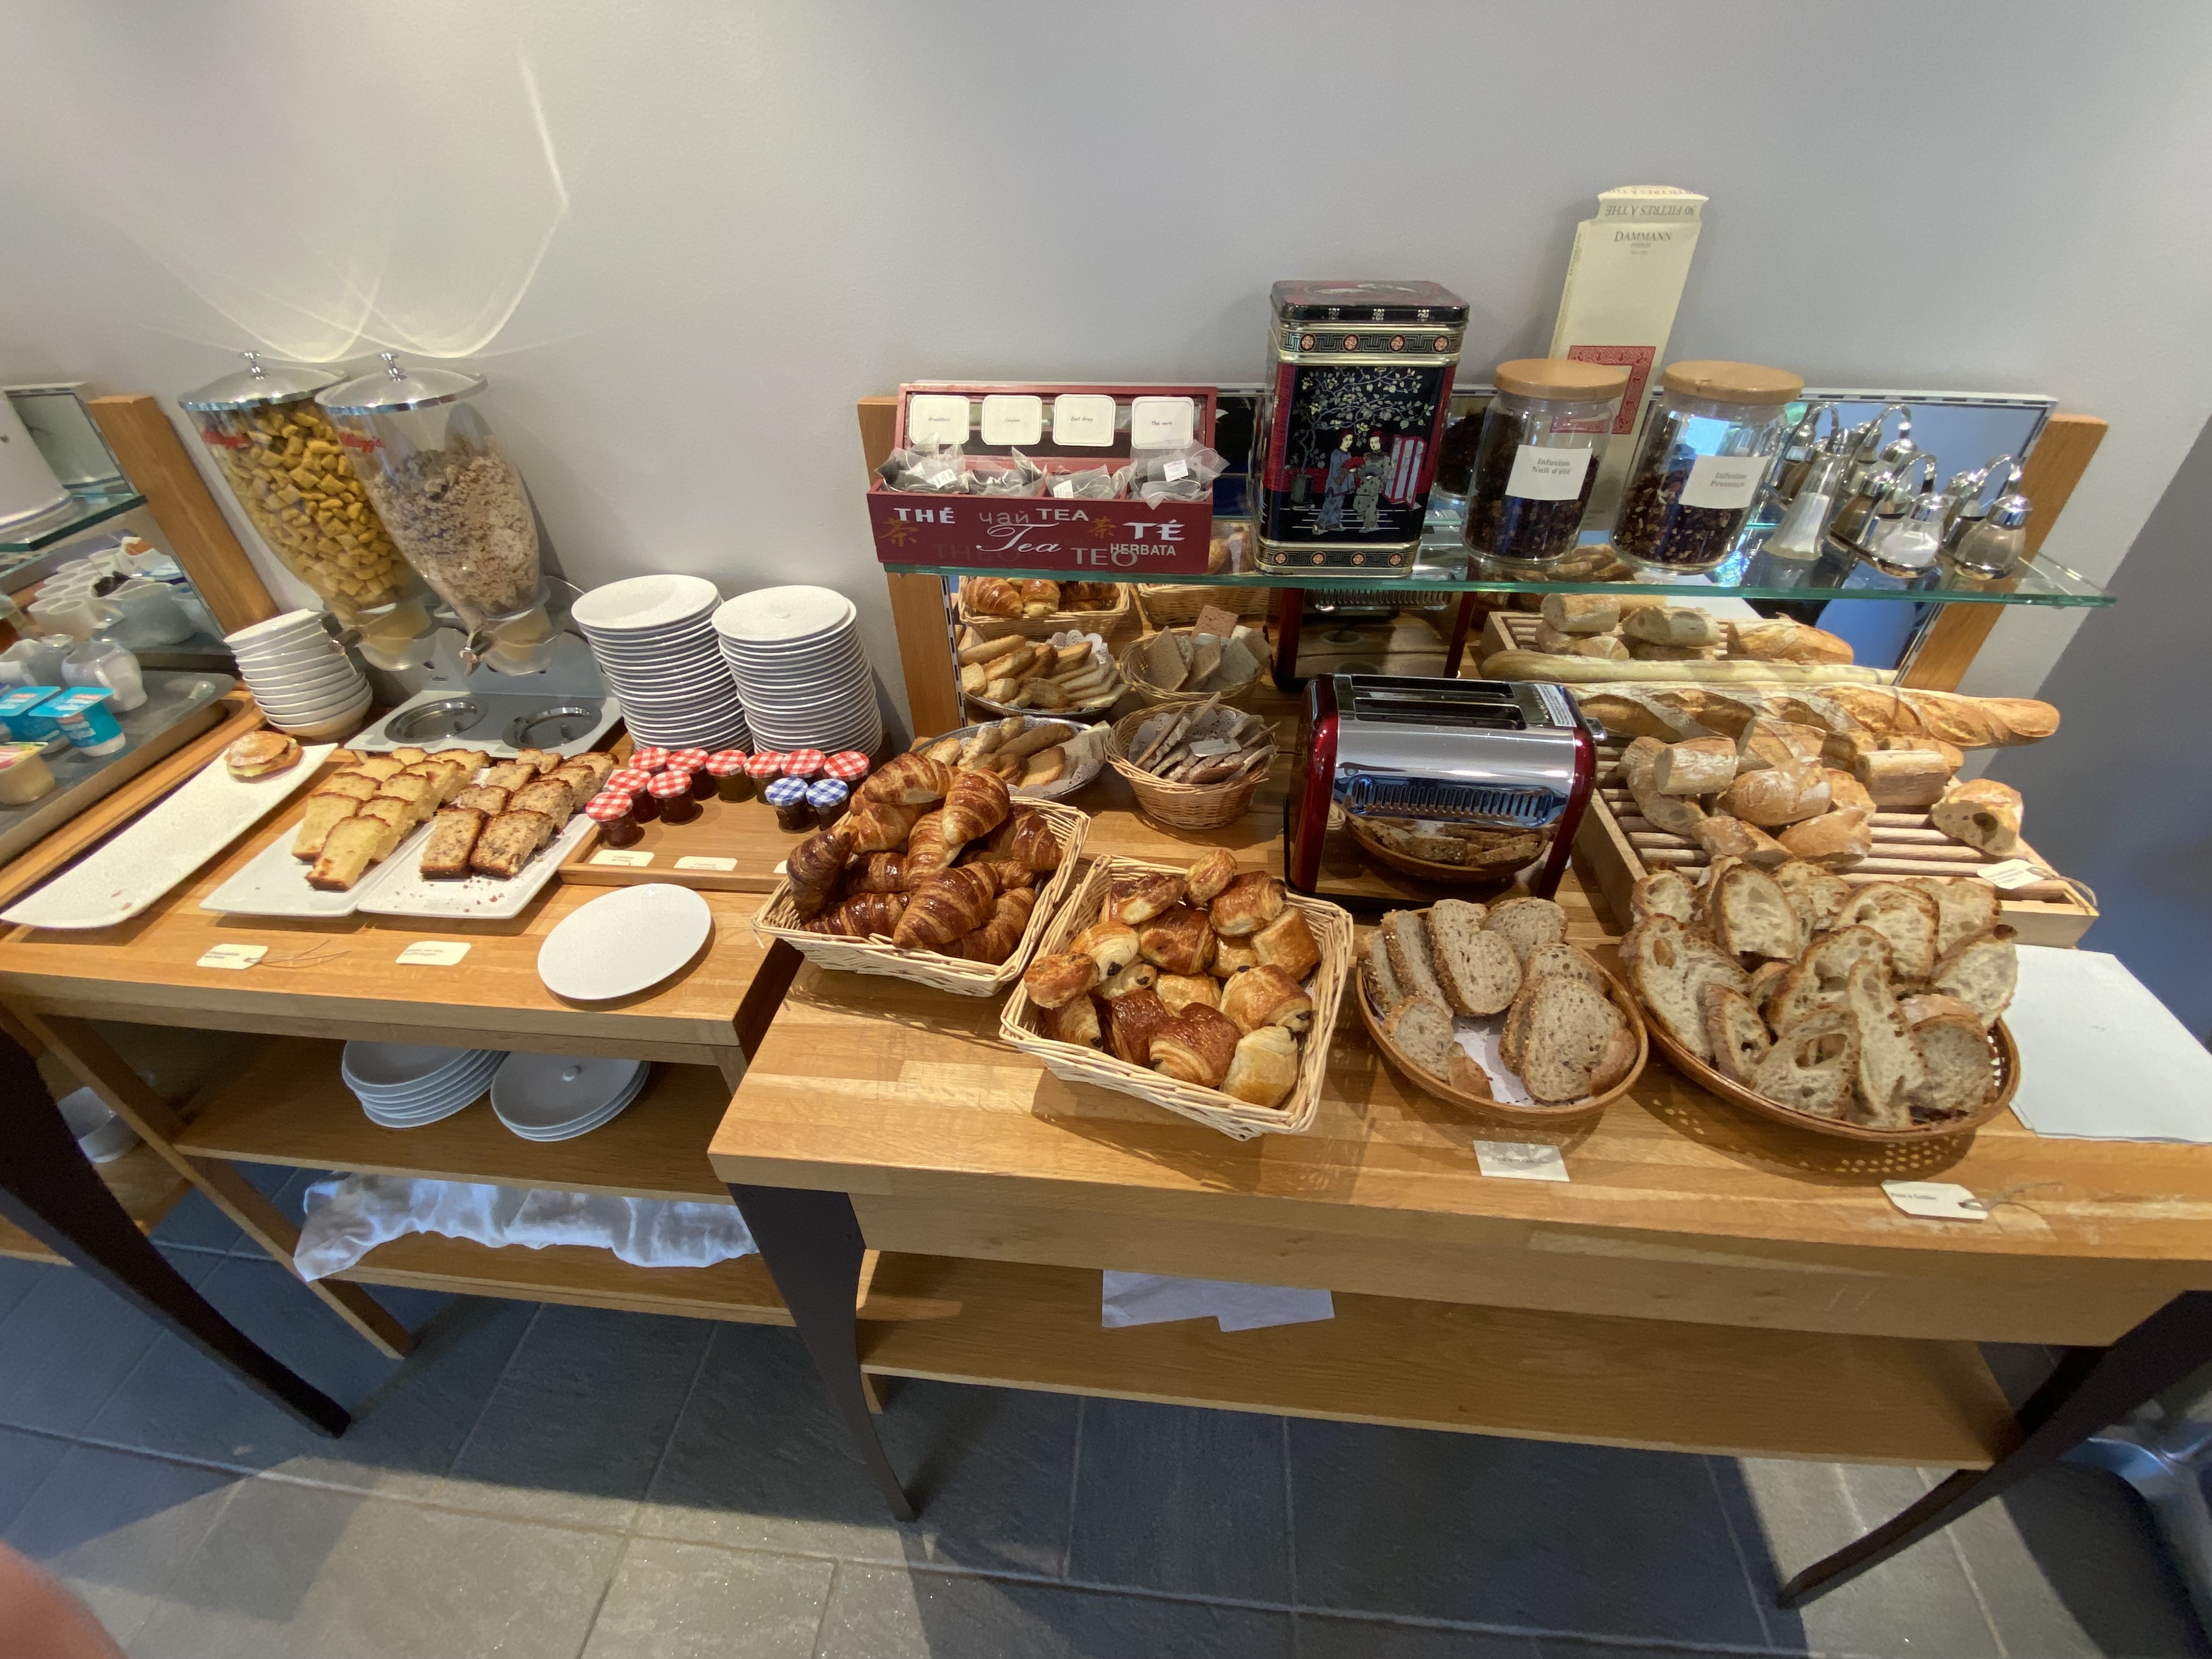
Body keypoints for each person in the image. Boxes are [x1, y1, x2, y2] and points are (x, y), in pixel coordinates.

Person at [1316, 431, 1357, 532]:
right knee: (1329, 506)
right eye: (1346, 439)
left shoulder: (1348, 454)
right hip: (1335, 486)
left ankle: (1332, 524)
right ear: (1341, 440)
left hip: (1344, 487)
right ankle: (1318, 525)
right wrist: (1349, 471)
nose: (1348, 442)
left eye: (1350, 440)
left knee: (1338, 506)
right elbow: (1336, 471)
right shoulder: (1336, 453)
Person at [1353, 432, 1389, 532]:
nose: (1373, 445)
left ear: (1381, 442)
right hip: (1365, 483)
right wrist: (1357, 471)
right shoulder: (1366, 456)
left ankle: (1369, 525)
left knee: (1371, 506)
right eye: (1372, 442)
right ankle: (1364, 515)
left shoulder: (1385, 458)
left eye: (1376, 442)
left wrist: (1382, 483)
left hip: (1375, 484)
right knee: (1358, 504)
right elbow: (1362, 469)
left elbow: (1386, 472)